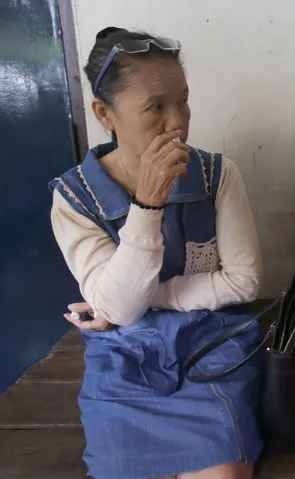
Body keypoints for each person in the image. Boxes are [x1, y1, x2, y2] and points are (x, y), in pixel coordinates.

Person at [49, 27, 263, 479]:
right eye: (156, 108)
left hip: (212, 344)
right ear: (105, 113)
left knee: (222, 473)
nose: (178, 122)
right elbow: (122, 311)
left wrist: (136, 300)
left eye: (183, 100)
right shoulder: (75, 198)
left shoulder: (215, 176)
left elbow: (242, 282)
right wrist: (146, 207)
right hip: (122, 357)